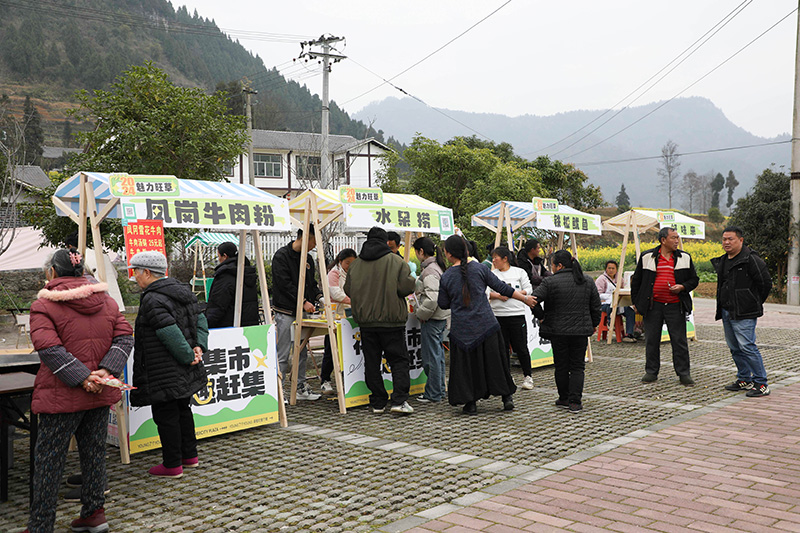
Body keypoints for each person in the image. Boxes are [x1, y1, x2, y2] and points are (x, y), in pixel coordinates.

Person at [27, 248, 133, 533]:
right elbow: (124, 337)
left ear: (51, 273)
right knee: (94, 454)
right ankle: (94, 514)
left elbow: (49, 348)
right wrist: (105, 372)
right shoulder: (108, 302)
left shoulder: (44, 306)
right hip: (99, 393)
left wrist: (82, 377)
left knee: (49, 461)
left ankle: (41, 525)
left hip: (61, 395)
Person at [129, 251, 208, 478]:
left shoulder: (153, 298)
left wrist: (187, 355)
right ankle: (189, 456)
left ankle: (172, 464)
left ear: (146, 272)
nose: (134, 277)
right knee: (183, 408)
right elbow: (201, 320)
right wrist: (198, 348)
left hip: (163, 367)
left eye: (136, 271)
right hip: (184, 367)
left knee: (165, 414)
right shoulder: (183, 291)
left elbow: (168, 333)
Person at [438, 235, 536, 415]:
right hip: (487, 326)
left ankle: (471, 402)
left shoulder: (446, 276)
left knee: (468, 367)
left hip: (462, 330)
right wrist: (524, 298)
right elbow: (502, 287)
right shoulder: (480, 269)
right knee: (496, 364)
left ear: (448, 253)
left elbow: (443, 303)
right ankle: (506, 397)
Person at [344, 227, 416, 414]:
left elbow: (348, 290)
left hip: (366, 322)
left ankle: (378, 402)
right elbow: (406, 288)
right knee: (399, 360)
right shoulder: (396, 261)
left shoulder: (356, 264)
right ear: (386, 242)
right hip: (392, 320)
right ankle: (399, 401)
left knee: (372, 361)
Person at [532, 250, 601, 413]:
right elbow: (596, 306)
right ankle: (575, 401)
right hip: (580, 332)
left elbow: (533, 300)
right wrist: (593, 324)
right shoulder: (587, 281)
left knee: (561, 365)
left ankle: (563, 398)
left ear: (559, 265)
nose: (552, 268)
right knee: (577, 366)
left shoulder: (550, 282)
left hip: (558, 331)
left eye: (553, 265)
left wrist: (542, 317)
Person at [631, 227, 699, 385]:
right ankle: (651, 372)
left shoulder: (684, 257)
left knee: (679, 340)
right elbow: (637, 281)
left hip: (675, 306)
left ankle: (683, 373)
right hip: (653, 306)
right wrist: (636, 302)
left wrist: (682, 287)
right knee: (651, 340)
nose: (677, 241)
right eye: (673, 238)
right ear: (663, 240)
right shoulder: (647, 256)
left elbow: (694, 280)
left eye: (677, 238)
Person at [711, 226, 772, 397]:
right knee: (734, 347)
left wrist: (752, 301)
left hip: (745, 312)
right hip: (726, 311)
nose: (726, 242)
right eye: (724, 239)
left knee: (747, 346)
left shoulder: (751, 260)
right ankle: (744, 378)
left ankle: (761, 383)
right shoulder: (723, 260)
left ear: (741, 240)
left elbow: (765, 284)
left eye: (731, 239)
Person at [271, 226, 323, 400]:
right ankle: (280, 389)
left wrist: (319, 297)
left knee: (301, 350)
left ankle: (300, 386)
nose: (314, 246)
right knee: (283, 352)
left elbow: (311, 283)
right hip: (285, 311)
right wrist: (303, 302)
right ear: (306, 237)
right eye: (314, 241)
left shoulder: (308, 258)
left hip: (303, 312)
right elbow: (284, 285)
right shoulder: (281, 256)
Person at [488, 246, 535, 390]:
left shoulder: (519, 272)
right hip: (498, 316)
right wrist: (498, 296)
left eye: (496, 257)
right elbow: (486, 292)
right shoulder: (491, 274)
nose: (493, 260)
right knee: (502, 349)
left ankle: (528, 377)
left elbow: (529, 288)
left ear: (505, 259)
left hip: (516, 315)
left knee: (521, 347)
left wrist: (513, 293)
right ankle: (507, 377)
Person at [412, 237, 450, 403]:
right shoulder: (438, 267)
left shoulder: (429, 270)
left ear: (421, 252)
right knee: (438, 356)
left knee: (431, 358)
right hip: (440, 317)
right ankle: (439, 391)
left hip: (432, 319)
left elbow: (432, 299)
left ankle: (433, 393)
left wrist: (420, 314)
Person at [320, 248, 357, 394]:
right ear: (340, 261)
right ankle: (325, 379)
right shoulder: (334, 273)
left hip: (349, 315)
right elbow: (335, 293)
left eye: (352, 263)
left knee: (349, 349)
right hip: (335, 316)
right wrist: (354, 301)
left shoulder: (353, 273)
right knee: (331, 348)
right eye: (347, 262)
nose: (349, 266)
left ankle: (348, 378)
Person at [205, 242, 260, 328]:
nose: (218, 259)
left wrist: (206, 324)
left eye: (219, 256)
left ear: (225, 256)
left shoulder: (225, 275)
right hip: (249, 326)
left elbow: (218, 305)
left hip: (228, 326)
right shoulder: (246, 272)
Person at [595, 259, 637, 342]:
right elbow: (597, 295)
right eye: (609, 268)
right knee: (610, 308)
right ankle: (611, 323)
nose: (611, 270)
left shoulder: (619, 279)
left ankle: (629, 334)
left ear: (616, 269)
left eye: (613, 268)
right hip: (605, 304)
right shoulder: (601, 279)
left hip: (618, 303)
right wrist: (610, 297)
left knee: (630, 311)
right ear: (606, 269)